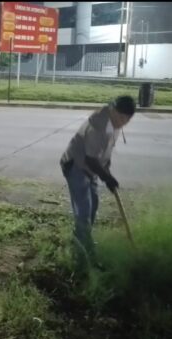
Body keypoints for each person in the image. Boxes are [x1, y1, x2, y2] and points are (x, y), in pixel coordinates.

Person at [59, 95, 136, 260]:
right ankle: (82, 256)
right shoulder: (98, 125)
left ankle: (82, 240)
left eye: (127, 119)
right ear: (112, 110)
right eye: (121, 117)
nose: (122, 122)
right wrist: (107, 178)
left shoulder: (114, 125)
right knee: (84, 211)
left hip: (91, 169)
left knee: (93, 205)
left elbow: (104, 154)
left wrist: (107, 173)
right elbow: (90, 158)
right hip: (76, 165)